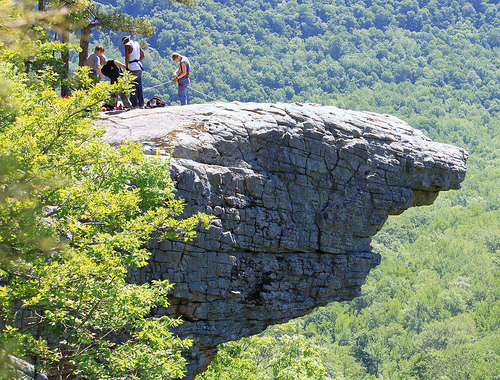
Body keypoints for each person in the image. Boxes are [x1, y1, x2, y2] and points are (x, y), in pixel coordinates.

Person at [122, 36, 145, 108]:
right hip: (138, 66)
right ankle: (141, 103)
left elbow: (127, 57)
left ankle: (135, 104)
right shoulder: (137, 44)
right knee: (139, 85)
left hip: (132, 66)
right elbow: (142, 55)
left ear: (124, 42)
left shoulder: (127, 45)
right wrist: (138, 62)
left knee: (132, 86)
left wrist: (127, 67)